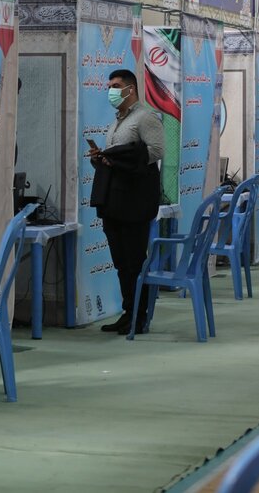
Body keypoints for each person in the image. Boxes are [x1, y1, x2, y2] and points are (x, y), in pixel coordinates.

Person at [88, 69, 164, 335]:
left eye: (116, 85)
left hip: (135, 201)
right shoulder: (117, 121)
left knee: (134, 262)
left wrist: (119, 160)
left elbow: (156, 151)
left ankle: (140, 316)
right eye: (109, 85)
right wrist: (101, 158)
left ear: (130, 89)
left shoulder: (146, 117)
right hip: (114, 201)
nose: (111, 90)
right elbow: (116, 157)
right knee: (121, 264)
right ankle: (128, 312)